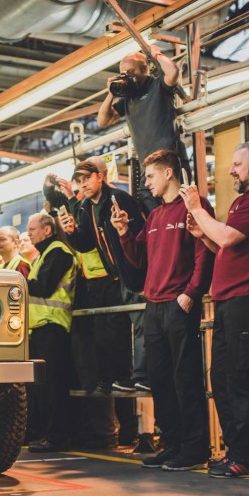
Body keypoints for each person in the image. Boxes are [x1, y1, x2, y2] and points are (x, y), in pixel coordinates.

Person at [183, 142, 249, 478]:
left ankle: (248, 455)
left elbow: (228, 239)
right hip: (229, 300)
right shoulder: (245, 201)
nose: (230, 170)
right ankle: (235, 450)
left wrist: (198, 208)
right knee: (223, 378)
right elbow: (226, 247)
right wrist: (203, 235)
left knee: (242, 377)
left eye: (236, 164)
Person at [115, 150, 215, 471]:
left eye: (151, 176)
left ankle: (195, 447)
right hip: (154, 306)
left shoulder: (193, 207)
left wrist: (191, 293)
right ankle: (171, 444)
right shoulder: (156, 216)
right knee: (160, 380)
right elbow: (139, 258)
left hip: (178, 303)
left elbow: (205, 253)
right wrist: (124, 234)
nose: (147, 183)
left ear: (169, 173)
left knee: (184, 377)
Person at [55, 159, 143, 395]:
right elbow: (84, 244)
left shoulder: (118, 198)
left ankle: (138, 376)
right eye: (79, 181)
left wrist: (137, 269)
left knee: (137, 326)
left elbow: (139, 235)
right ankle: (115, 378)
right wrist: (72, 231)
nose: (83, 185)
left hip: (134, 273)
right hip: (118, 276)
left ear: (100, 177)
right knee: (111, 330)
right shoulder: (86, 207)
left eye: (87, 179)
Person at [97, 48, 189, 213]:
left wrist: (156, 54)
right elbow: (103, 120)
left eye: (131, 72)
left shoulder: (157, 85)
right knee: (147, 203)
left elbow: (173, 71)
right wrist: (111, 93)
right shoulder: (127, 98)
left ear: (144, 69)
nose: (127, 76)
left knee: (177, 208)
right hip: (148, 165)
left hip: (169, 160)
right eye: (123, 73)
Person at [24, 212, 78, 452]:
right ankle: (45, 433)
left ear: (47, 230)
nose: (29, 233)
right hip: (39, 327)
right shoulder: (42, 256)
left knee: (53, 386)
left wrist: (17, 281)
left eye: (32, 229)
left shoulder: (58, 252)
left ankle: (57, 436)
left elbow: (44, 287)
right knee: (41, 388)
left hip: (53, 325)